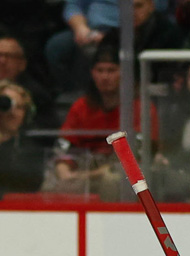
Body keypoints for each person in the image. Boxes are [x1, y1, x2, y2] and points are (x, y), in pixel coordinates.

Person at [46, 44, 159, 200]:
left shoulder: (142, 107)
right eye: (100, 70)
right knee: (51, 181)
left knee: (110, 179)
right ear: (92, 73)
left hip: (121, 168)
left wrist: (89, 174)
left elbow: (140, 154)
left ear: (124, 73)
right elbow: (64, 146)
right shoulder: (81, 106)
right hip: (87, 165)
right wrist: (63, 168)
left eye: (111, 70)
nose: (105, 77)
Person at [0, 37, 58, 133]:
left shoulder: (36, 94)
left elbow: (45, 129)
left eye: (10, 56)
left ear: (22, 64)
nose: (2, 61)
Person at [0, 81, 45, 200]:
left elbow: (30, 184)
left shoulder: (30, 148)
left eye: (20, 107)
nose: (13, 113)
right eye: (6, 105)